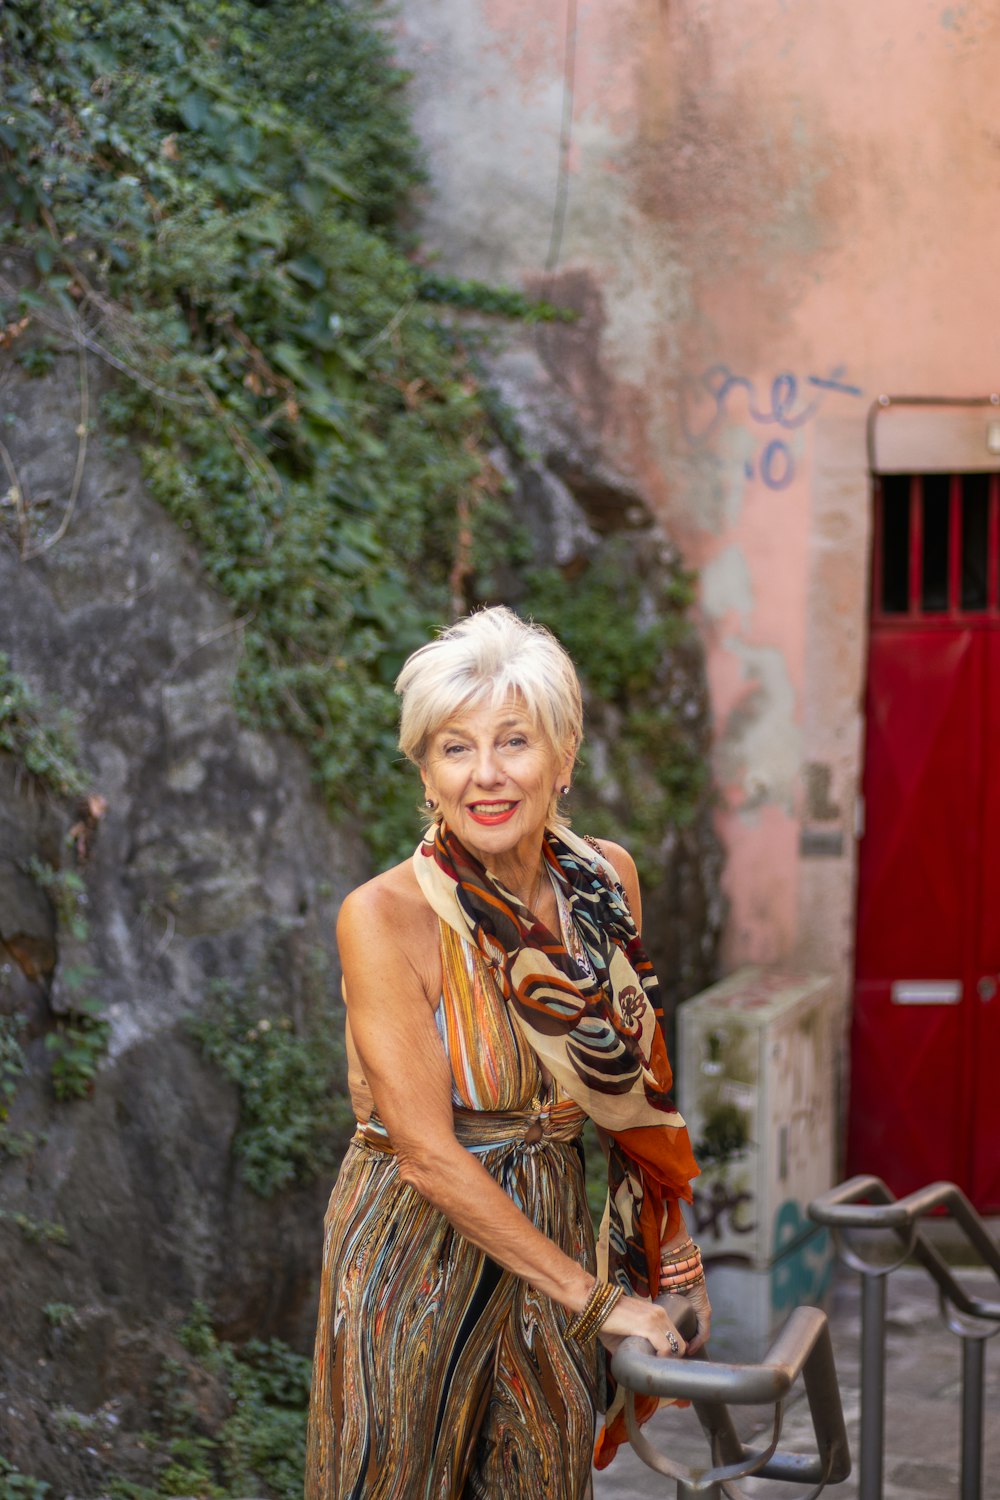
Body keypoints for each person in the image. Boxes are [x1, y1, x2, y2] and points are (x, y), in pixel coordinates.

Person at [305, 605, 710, 1500]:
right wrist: (603, 1301)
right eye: (454, 748)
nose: (485, 775)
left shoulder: (606, 882)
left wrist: (668, 1243)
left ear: (562, 759)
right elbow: (425, 1155)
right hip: (412, 1254)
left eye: (513, 742)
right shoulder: (384, 918)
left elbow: (638, 1088)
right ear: (425, 770)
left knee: (543, 1481)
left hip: (553, 1230)